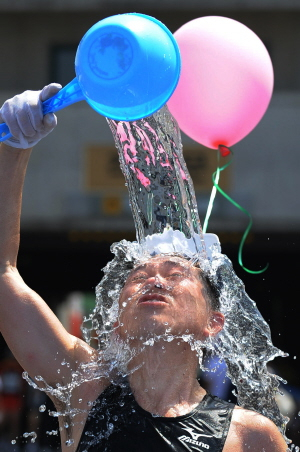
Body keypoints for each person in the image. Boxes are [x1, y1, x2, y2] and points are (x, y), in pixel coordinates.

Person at [0, 86, 288, 452]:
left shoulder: (250, 436)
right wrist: (15, 148)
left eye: (176, 274)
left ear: (213, 323)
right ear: (117, 318)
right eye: (137, 277)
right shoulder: (82, 388)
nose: (153, 278)